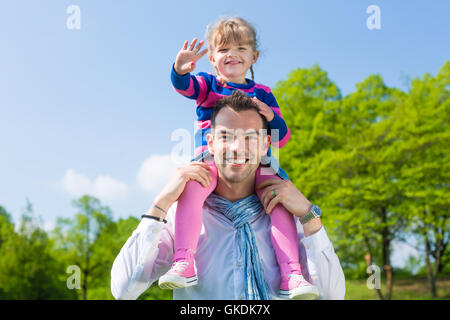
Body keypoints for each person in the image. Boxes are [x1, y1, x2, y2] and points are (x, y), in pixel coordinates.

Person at [110, 91, 346, 300]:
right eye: (226, 137)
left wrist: (308, 214)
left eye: (250, 138)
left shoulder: (288, 214)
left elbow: (333, 295)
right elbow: (123, 290)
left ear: (265, 146)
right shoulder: (181, 216)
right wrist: (161, 202)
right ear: (210, 144)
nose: (237, 148)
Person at [164, 16, 318, 299]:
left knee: (278, 200)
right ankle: (184, 259)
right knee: (191, 191)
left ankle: (292, 273)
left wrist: (270, 116)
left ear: (253, 57)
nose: (232, 55)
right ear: (212, 58)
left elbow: (281, 137)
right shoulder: (209, 86)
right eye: (223, 50)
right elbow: (185, 87)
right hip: (212, 160)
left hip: (257, 162)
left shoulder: (264, 94)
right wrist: (179, 70)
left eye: (241, 49)